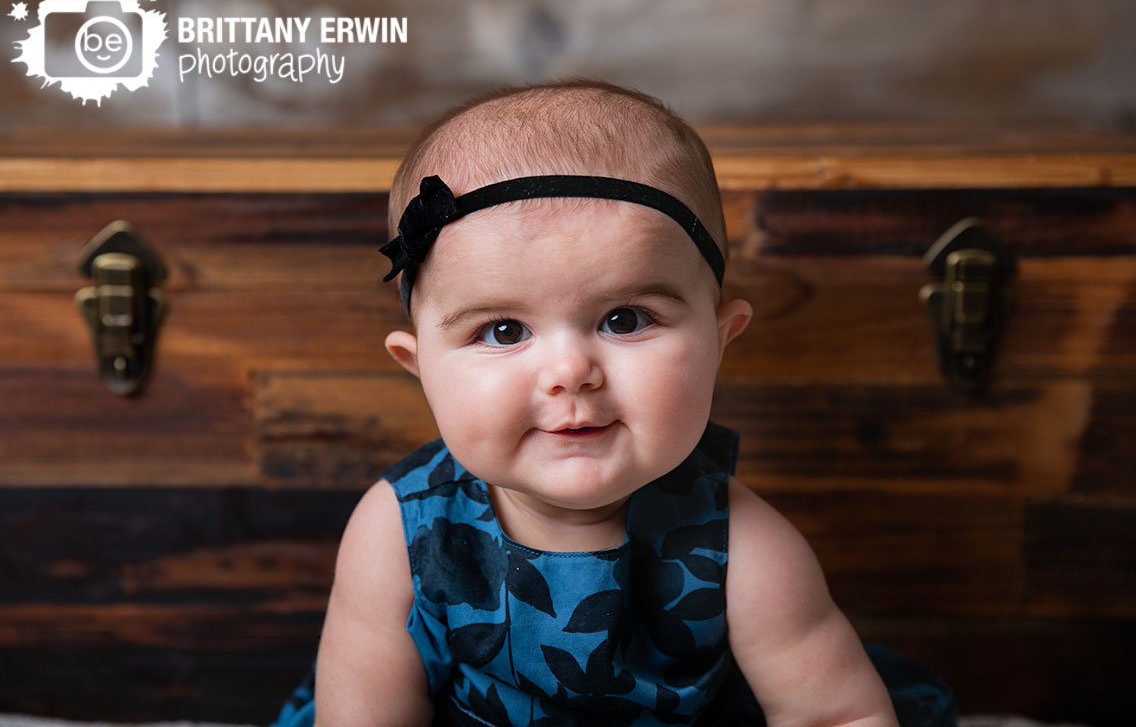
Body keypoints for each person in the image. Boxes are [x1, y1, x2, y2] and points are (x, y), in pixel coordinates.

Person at [276, 81, 949, 726]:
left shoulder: (745, 547)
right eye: (504, 330)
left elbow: (838, 712)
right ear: (418, 366)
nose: (571, 371)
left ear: (720, 340)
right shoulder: (399, 533)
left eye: (625, 318)